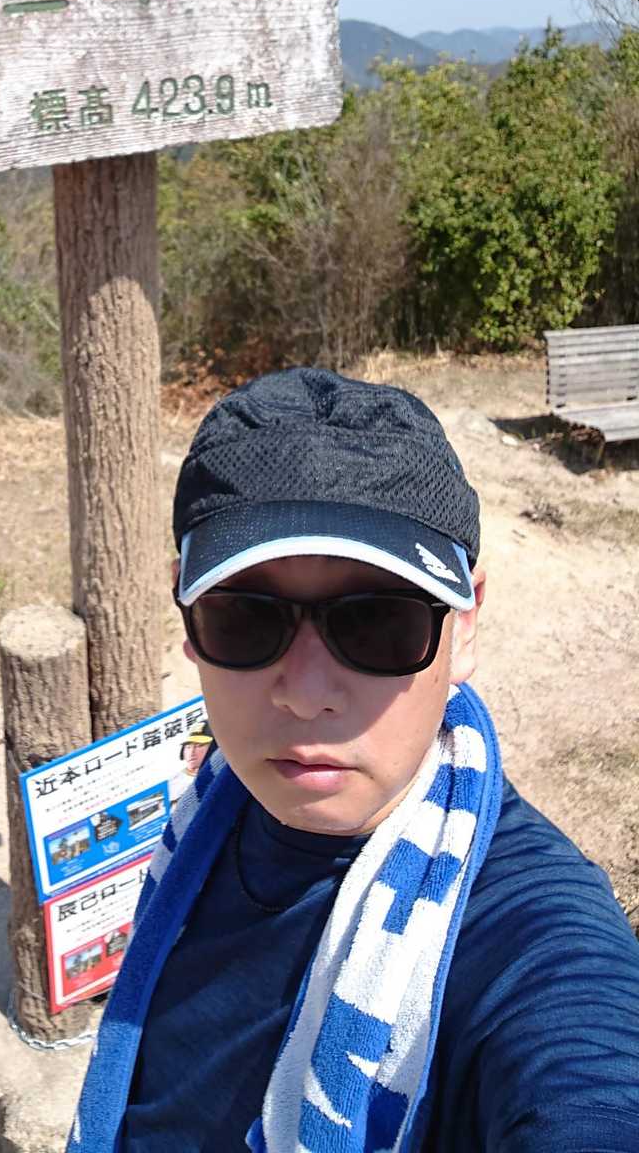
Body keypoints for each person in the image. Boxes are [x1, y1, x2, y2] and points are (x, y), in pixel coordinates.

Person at [69, 367, 639, 1153]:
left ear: (464, 626)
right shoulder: (204, 821)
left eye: (377, 623)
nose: (305, 695)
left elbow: (590, 1076)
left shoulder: (525, 930)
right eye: (245, 619)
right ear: (188, 614)